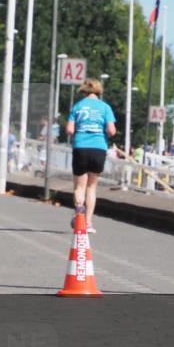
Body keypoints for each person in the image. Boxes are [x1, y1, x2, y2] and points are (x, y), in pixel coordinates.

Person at [65, 78, 116, 233]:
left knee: (79, 186)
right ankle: (88, 223)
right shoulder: (105, 107)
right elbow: (112, 131)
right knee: (91, 187)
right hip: (98, 148)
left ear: (85, 90)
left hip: (80, 147)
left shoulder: (77, 106)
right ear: (98, 91)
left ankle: (79, 213)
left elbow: (69, 130)